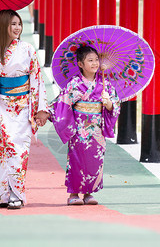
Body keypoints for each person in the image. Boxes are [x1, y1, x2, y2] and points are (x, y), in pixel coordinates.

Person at [0, 9, 49, 210]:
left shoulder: (27, 49)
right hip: (0, 107)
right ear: (2, 26)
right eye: (12, 24)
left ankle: (16, 194)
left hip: (23, 107)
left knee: (18, 150)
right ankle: (2, 194)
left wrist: (40, 109)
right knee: (0, 151)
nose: (17, 28)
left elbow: (37, 79)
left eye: (19, 24)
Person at [48, 45, 120, 206]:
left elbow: (115, 105)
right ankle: (73, 193)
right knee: (76, 160)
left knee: (95, 161)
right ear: (80, 64)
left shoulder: (106, 85)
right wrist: (47, 112)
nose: (95, 63)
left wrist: (108, 103)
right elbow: (62, 102)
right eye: (90, 60)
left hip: (97, 130)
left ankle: (89, 193)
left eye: (96, 60)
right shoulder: (74, 84)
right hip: (79, 129)